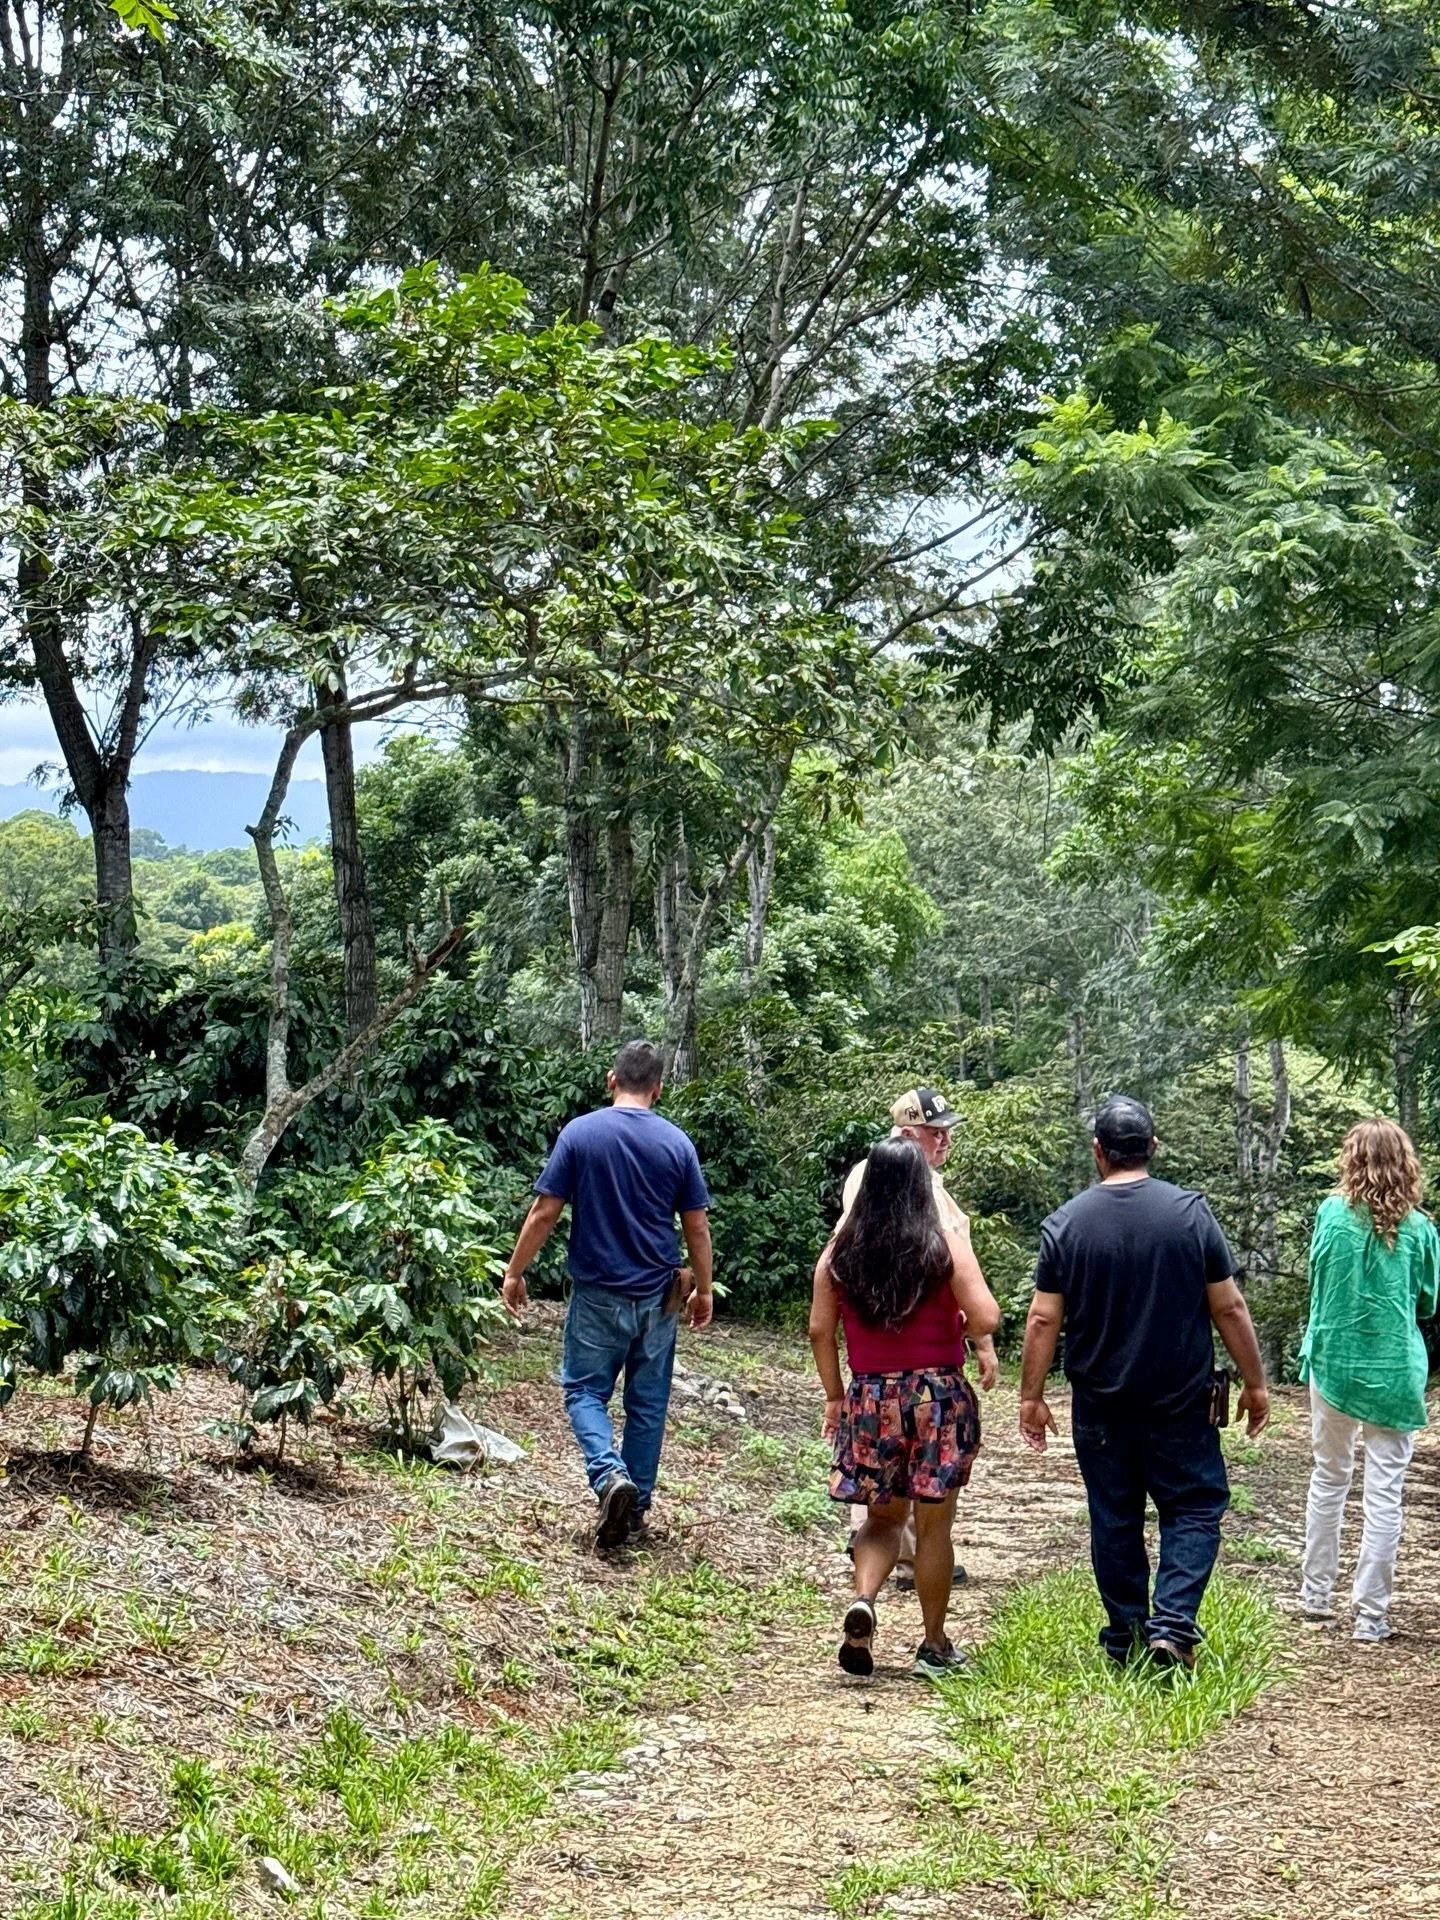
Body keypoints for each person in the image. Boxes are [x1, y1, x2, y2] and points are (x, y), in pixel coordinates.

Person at [1018, 1094, 1270, 1670]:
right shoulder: (1189, 1214)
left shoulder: (1066, 1223)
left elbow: (1041, 1318)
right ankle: (1173, 1625)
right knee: (1196, 1506)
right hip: (1180, 1400)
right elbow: (1228, 1308)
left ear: (1098, 1152)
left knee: (1114, 1515)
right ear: (1152, 1147)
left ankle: (1127, 1637)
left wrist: (1030, 1396)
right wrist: (1256, 1384)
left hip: (1100, 1403)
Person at [502, 1039, 713, 1548]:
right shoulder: (677, 1144)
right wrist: (703, 1290)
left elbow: (544, 1212)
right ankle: (634, 1510)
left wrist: (514, 1271)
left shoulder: (581, 1133)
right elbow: (697, 1228)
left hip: (598, 1293)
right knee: (647, 1403)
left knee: (583, 1390)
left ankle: (607, 1477)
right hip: (660, 1296)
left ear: (610, 1079)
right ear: (659, 1088)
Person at [811, 1136, 1002, 1680]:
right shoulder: (941, 1244)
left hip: (871, 1396)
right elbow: (986, 1316)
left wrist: (835, 1393)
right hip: (937, 1396)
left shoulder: (839, 1253)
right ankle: (934, 1643)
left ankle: (865, 1599)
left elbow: (820, 1330)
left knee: (881, 1517)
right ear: (922, 1186)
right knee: (934, 1526)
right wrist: (962, 1322)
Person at [840, 1087, 999, 1590]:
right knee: (917, 1494)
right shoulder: (892, 1183)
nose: (945, 1138)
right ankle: (924, 1598)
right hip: (919, 1358)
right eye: (935, 1131)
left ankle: (883, 1574)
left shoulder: (923, 1181)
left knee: (889, 1472)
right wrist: (977, 1333)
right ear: (908, 1134)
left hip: (881, 1368)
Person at [1299, 1118, 1440, 1644]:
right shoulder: (1421, 1229)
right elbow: (1427, 1301)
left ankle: (1316, 1597)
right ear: (1405, 1164)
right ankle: (1371, 1617)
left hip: (1334, 1362)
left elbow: (1320, 1281)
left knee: (1329, 1477)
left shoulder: (1332, 1214)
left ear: (1351, 1159)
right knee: (1385, 1494)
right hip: (1395, 1370)